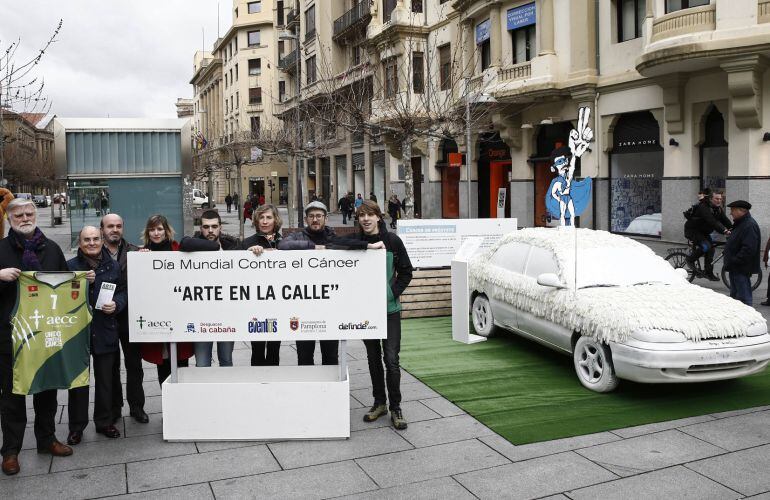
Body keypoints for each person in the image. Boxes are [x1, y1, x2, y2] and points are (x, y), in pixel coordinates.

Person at [0, 198, 73, 475]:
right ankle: (10, 451)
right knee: (12, 396)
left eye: (29, 213)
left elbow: (65, 286)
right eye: (19, 215)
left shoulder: (51, 249)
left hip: (44, 334)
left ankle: (46, 439)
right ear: (9, 219)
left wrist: (83, 280)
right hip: (10, 336)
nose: (25, 218)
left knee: (47, 390)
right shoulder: (1, 250)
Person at [278, 201, 380, 365]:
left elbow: (349, 245)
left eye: (319, 216)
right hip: (305, 307)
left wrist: (370, 246)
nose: (315, 219)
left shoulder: (332, 236)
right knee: (304, 357)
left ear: (326, 218)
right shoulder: (298, 236)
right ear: (306, 219)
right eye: (311, 216)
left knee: (331, 357)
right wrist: (312, 247)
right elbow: (283, 245)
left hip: (330, 307)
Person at [66, 226, 126, 444]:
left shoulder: (113, 265)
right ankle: (76, 427)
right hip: (78, 334)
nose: (91, 243)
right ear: (80, 243)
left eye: (95, 239)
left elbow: (122, 291)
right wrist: (82, 283)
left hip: (105, 330)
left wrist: (116, 304)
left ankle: (104, 422)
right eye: (86, 239)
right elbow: (62, 297)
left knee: (105, 381)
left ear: (102, 240)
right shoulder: (71, 266)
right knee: (78, 383)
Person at [356, 200, 413, 430]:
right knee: (373, 358)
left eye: (370, 214)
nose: (365, 219)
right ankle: (379, 402)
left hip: (389, 311)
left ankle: (396, 407)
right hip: (366, 312)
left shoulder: (392, 241)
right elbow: (335, 243)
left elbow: (406, 272)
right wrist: (366, 246)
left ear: (379, 217)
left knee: (391, 359)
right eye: (361, 215)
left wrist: (391, 294)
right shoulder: (356, 241)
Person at [101, 214, 148, 424]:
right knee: (110, 367)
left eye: (118, 226)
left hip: (130, 316)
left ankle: (137, 406)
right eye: (110, 226)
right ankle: (114, 408)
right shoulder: (95, 251)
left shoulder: (135, 252)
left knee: (134, 365)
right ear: (102, 229)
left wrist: (147, 257)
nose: (115, 229)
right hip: (105, 318)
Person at [137, 215, 194, 386]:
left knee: (182, 364)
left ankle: (181, 400)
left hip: (179, 314)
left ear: (166, 230)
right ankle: (167, 399)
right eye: (152, 229)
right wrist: (142, 259)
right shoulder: (143, 253)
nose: (156, 233)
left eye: (159, 229)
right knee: (163, 363)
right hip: (157, 318)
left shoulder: (178, 250)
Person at [179, 210, 239, 367]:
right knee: (202, 362)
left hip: (226, 312)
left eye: (214, 226)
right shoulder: (194, 242)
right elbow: (184, 243)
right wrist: (215, 247)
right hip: (202, 314)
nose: (210, 230)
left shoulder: (231, 244)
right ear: (200, 228)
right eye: (206, 227)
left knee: (226, 360)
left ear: (220, 227)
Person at [242, 204, 283, 366]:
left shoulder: (283, 242)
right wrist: (248, 254)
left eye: (269, 217)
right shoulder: (247, 243)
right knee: (257, 349)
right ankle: (257, 379)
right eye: (261, 218)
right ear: (256, 220)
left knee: (274, 348)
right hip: (256, 305)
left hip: (277, 305)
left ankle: (273, 379)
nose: (265, 222)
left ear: (275, 220)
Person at [684, 190, 732, 281]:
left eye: (720, 199)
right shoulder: (703, 207)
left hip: (703, 232)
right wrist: (724, 230)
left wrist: (733, 229)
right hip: (693, 231)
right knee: (706, 246)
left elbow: (725, 220)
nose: (719, 201)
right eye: (716, 199)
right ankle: (690, 259)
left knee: (711, 249)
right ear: (710, 199)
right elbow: (711, 221)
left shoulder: (718, 209)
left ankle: (708, 273)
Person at [723, 200, 760, 306]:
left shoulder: (749, 225)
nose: (730, 213)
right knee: (735, 297)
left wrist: (735, 260)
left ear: (741, 211)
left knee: (744, 298)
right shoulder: (741, 223)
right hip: (735, 267)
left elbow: (749, 249)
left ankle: (748, 315)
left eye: (732, 210)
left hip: (740, 268)